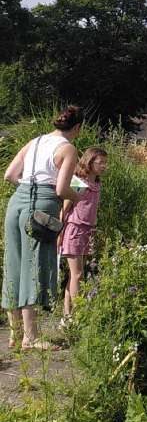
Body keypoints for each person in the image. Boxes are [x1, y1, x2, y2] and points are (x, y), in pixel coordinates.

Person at [2, 106, 87, 349]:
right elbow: (62, 189)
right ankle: (31, 337)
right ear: (78, 128)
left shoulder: (35, 141)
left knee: (14, 265)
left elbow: (10, 174)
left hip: (17, 202)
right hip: (42, 206)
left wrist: (28, 188)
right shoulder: (68, 148)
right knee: (33, 266)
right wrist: (79, 197)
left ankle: (15, 334)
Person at [59, 147, 107, 321]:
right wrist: (59, 233)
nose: (104, 166)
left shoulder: (96, 184)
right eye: (100, 162)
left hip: (87, 230)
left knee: (75, 275)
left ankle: (67, 317)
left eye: (105, 162)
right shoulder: (78, 182)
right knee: (77, 274)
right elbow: (65, 209)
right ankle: (78, 315)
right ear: (89, 162)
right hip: (74, 229)